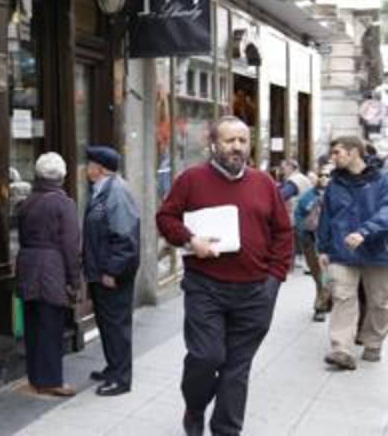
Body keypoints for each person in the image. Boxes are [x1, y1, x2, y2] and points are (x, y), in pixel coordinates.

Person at [157, 116, 293, 436]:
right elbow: (165, 218)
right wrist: (191, 240)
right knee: (206, 357)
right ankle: (194, 407)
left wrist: (273, 280)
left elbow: (284, 233)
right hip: (206, 287)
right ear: (214, 145)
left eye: (243, 141)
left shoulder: (264, 183)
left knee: (236, 371)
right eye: (230, 140)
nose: (237, 147)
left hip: (256, 292)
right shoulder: (191, 180)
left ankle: (226, 430)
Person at [316, 135, 388, 370]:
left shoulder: (383, 179)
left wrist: (365, 232)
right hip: (341, 250)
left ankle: (373, 343)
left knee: (379, 302)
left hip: (377, 251)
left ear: (354, 152)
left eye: (337, 152)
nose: (332, 157)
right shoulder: (334, 183)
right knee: (343, 297)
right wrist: (323, 248)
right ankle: (341, 349)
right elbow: (326, 216)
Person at [14, 152, 82, 398]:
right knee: (51, 325)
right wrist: (75, 281)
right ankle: (51, 381)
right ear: (62, 177)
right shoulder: (64, 204)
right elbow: (71, 245)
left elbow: (21, 236)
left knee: (33, 324)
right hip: (51, 268)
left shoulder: (27, 202)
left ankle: (35, 378)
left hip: (28, 264)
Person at [82, 145, 141, 397]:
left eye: (90, 163)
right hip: (100, 272)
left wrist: (111, 271)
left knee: (117, 326)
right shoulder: (102, 191)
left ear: (100, 169)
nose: (86, 167)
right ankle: (113, 367)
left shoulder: (116, 192)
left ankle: (121, 378)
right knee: (107, 324)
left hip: (111, 276)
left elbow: (125, 239)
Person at [293, 167, 332, 321]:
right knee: (319, 275)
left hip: (331, 242)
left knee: (326, 275)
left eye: (328, 175)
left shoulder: (337, 194)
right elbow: (298, 215)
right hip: (311, 240)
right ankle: (323, 302)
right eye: (321, 175)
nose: (324, 177)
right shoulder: (309, 195)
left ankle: (321, 306)